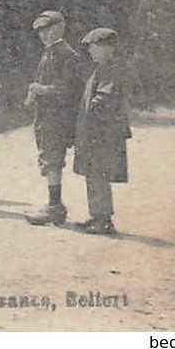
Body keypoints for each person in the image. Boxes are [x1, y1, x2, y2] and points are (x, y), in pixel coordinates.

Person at [24, 10, 88, 227]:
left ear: (61, 27)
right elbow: (42, 79)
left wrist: (41, 90)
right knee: (47, 158)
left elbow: (70, 90)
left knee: (52, 159)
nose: (44, 35)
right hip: (45, 115)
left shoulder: (67, 54)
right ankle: (54, 205)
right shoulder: (48, 52)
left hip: (58, 117)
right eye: (41, 31)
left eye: (49, 29)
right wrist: (33, 93)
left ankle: (55, 206)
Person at [73, 27, 132, 236]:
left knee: (98, 175)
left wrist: (89, 114)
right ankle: (96, 216)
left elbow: (104, 99)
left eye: (94, 47)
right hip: (95, 132)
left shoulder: (110, 70)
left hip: (102, 134)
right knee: (93, 174)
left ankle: (103, 220)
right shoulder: (101, 69)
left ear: (108, 48)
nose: (90, 51)